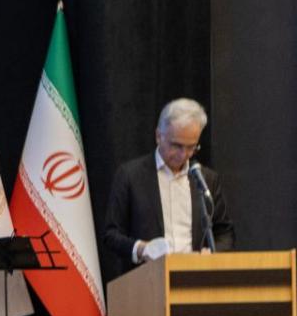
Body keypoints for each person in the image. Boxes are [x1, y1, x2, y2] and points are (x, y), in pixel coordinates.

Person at [100, 97, 235, 275]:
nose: (183, 154)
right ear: (158, 136)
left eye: (191, 147)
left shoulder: (206, 179)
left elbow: (225, 233)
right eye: (176, 146)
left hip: (196, 278)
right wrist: (141, 248)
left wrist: (212, 252)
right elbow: (111, 234)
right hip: (148, 280)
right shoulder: (130, 175)